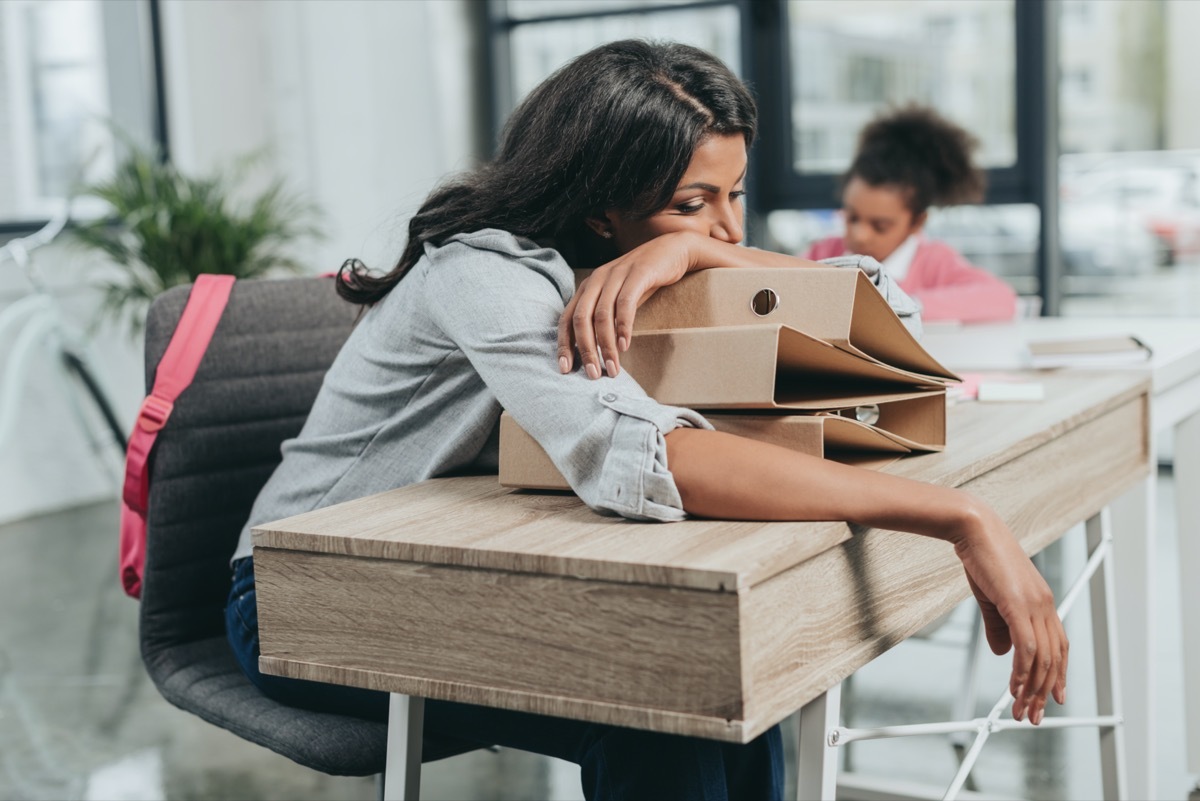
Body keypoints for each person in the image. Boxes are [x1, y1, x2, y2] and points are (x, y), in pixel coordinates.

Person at [225, 40, 1065, 801]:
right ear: (601, 209)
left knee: (729, 679)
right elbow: (641, 455)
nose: (731, 224)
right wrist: (959, 515)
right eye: (696, 203)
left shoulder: (645, 262)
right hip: (304, 593)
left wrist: (695, 247)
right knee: (657, 701)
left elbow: (895, 319)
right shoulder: (488, 276)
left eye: (734, 194)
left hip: (457, 561)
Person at [805, 105, 1019, 323]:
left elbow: (1002, 298)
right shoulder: (824, 253)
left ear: (916, 222)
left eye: (880, 226)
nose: (860, 235)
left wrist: (899, 304)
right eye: (852, 218)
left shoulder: (933, 262)